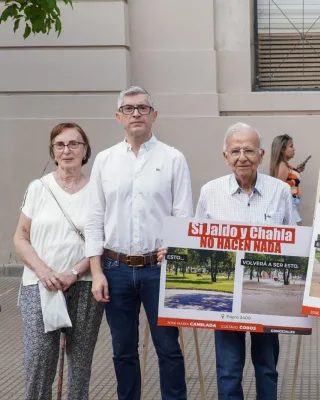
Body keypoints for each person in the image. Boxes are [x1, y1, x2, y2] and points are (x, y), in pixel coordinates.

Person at [85, 86, 193, 400]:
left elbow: (182, 214)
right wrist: (97, 272)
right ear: (118, 117)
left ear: (154, 115)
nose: (136, 113)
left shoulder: (173, 158)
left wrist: (175, 246)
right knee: (122, 351)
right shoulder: (105, 161)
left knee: (169, 349)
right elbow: (94, 218)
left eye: (143, 108)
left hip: (158, 270)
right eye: (129, 108)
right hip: (114, 268)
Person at [195, 122, 294, 400]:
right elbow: (196, 242)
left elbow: (292, 240)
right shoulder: (209, 192)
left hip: (268, 295)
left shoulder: (280, 191)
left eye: (249, 150)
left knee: (267, 367)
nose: (242, 157)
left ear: (262, 155)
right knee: (228, 369)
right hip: (224, 296)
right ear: (225, 157)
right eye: (235, 150)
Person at [14, 122, 104, 399]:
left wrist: (74, 273)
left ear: (85, 150)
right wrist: (44, 271)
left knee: (79, 365)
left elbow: (102, 241)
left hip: (84, 284)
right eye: (60, 145)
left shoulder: (98, 191)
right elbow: (20, 238)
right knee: (39, 360)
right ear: (53, 152)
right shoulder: (39, 187)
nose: (67, 150)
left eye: (74, 143)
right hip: (40, 285)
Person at [269, 134, 306, 224]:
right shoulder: (282, 167)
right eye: (291, 146)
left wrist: (296, 171)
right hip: (288, 205)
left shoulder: (284, 165)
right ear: (282, 149)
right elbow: (279, 191)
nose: (294, 149)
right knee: (298, 230)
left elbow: (287, 181)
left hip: (291, 204)